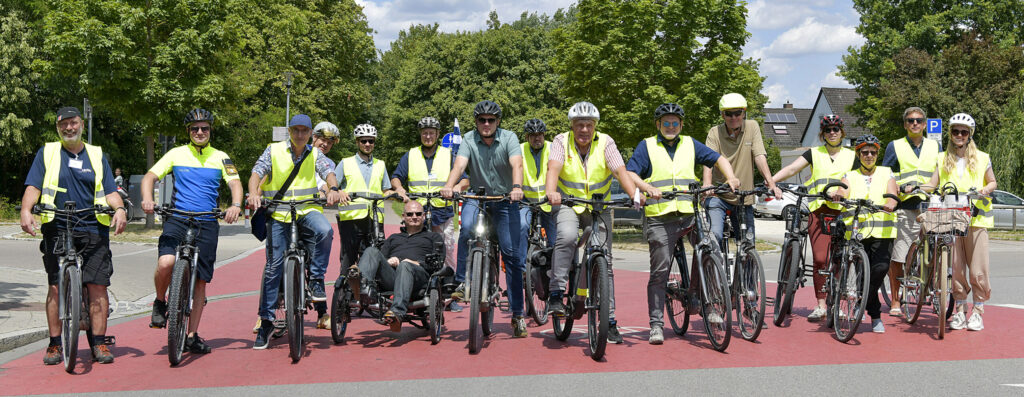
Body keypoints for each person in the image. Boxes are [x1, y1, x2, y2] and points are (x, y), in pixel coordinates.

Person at [20, 106, 128, 365]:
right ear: (58, 127)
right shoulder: (47, 152)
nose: (69, 128)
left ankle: (99, 343)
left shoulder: (96, 154)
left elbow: (111, 190)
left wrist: (120, 209)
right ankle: (55, 344)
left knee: (98, 285)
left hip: (93, 225)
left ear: (81, 124)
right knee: (56, 286)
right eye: (64, 124)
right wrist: (26, 210)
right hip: (57, 225)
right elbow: (33, 185)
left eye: (73, 123)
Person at [626, 103, 740, 345]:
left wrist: (730, 176)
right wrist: (646, 187)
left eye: (674, 123)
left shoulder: (689, 143)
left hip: (690, 212)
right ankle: (656, 325)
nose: (670, 126)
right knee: (660, 272)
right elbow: (631, 173)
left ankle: (705, 301)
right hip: (660, 216)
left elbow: (718, 158)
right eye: (665, 123)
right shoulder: (646, 145)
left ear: (681, 125)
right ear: (658, 125)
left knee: (710, 250)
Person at [140, 108, 243, 354]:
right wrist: (147, 200)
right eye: (195, 129)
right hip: (177, 217)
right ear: (188, 132)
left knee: (201, 282)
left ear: (210, 131)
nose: (199, 132)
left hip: (207, 221)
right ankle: (160, 301)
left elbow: (235, 183)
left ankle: (192, 334)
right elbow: (149, 177)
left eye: (204, 128)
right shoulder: (176, 154)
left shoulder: (221, 157)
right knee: (166, 263)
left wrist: (236, 205)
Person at [544, 101, 641, 344]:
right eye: (579, 125)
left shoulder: (606, 142)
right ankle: (556, 293)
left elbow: (620, 170)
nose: (584, 130)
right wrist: (550, 192)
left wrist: (634, 195)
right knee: (566, 237)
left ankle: (609, 320)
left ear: (595, 126)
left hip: (599, 208)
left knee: (604, 261)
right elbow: (553, 169)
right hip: (568, 204)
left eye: (588, 125)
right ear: (572, 126)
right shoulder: (560, 141)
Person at [247, 114, 340, 349]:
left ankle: (316, 280)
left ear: (310, 134)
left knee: (325, 231)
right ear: (290, 131)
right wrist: (254, 192)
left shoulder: (315, 154)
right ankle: (267, 320)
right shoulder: (273, 150)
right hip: (278, 214)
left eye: (304, 131)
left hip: (306, 211)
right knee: (273, 266)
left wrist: (333, 188)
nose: (300, 134)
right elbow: (257, 172)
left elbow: (328, 172)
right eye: (296, 130)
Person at [439, 100, 529, 338]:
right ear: (476, 123)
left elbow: (516, 163)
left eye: (491, 120)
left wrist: (517, 187)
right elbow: (460, 165)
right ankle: (461, 282)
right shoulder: (469, 139)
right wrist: (449, 185)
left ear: (497, 122)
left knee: (512, 256)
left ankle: (518, 314)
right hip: (477, 197)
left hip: (504, 199)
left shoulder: (509, 138)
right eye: (482, 120)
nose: (486, 124)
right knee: (466, 228)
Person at [772, 115, 855, 322]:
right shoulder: (814, 153)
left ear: (842, 132)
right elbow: (792, 169)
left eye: (836, 129)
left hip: (844, 211)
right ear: (822, 134)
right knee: (820, 259)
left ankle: (836, 302)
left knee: (840, 258)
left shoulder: (853, 155)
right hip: (819, 209)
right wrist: (770, 181)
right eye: (828, 130)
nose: (832, 132)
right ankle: (821, 304)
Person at [922, 113, 996, 331]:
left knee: (977, 270)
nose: (960, 135)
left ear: (970, 134)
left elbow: (992, 181)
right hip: (951, 217)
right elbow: (932, 183)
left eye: (964, 132)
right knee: (955, 268)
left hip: (976, 217)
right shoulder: (942, 157)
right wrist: (914, 187)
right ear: (951, 134)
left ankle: (978, 312)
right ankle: (960, 311)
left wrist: (985, 189)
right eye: (956, 131)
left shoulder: (983, 157)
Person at [832, 135, 897, 333]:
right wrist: (839, 195)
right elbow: (843, 190)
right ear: (858, 154)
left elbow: (893, 194)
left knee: (879, 269)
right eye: (865, 152)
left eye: (873, 152)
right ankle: (875, 315)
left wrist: (891, 204)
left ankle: (862, 300)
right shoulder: (850, 175)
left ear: (877, 154)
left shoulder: (887, 172)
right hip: (857, 231)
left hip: (883, 230)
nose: (869, 155)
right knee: (863, 271)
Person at [389, 116, 467, 278]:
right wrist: (399, 188)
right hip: (417, 212)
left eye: (431, 133)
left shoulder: (448, 155)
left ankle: (448, 288)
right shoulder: (411, 155)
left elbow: (464, 179)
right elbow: (396, 177)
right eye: (425, 133)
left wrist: (457, 187)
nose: (428, 136)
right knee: (414, 247)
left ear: (438, 134)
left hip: (442, 211)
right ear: (420, 134)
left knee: (446, 248)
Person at [880, 107, 939, 316]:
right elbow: (886, 174)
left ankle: (933, 290)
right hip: (904, 206)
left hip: (929, 205)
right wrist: (894, 192)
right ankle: (896, 300)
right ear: (905, 124)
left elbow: (939, 173)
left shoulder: (935, 146)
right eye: (910, 120)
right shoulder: (894, 146)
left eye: (919, 120)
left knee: (933, 251)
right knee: (899, 254)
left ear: (924, 124)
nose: (915, 123)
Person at [703, 93, 782, 246]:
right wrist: (707, 183)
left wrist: (772, 184)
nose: (734, 117)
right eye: (729, 114)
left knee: (747, 243)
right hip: (718, 195)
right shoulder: (715, 132)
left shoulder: (752, 127)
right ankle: (714, 267)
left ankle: (746, 269)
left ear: (744, 112)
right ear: (722, 115)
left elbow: (759, 156)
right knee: (715, 236)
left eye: (738, 113)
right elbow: (708, 160)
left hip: (743, 196)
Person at [353, 201, 444, 332]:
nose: (414, 216)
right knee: (371, 251)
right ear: (403, 216)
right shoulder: (393, 238)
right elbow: (380, 259)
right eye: (410, 214)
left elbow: (439, 262)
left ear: (423, 216)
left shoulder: (433, 237)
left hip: (419, 279)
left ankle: (397, 312)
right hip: (393, 278)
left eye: (418, 214)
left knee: (405, 265)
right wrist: (389, 261)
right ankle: (364, 288)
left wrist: (414, 263)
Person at [336, 123, 395, 294]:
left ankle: (369, 291)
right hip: (351, 218)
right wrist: (339, 191)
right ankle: (343, 296)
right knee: (348, 258)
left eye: (371, 141)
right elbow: (331, 185)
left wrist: (396, 193)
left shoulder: (380, 164)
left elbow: (385, 189)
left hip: (375, 219)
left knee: (374, 256)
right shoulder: (345, 163)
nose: (367, 144)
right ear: (357, 142)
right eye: (364, 141)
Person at [310, 121, 340, 328]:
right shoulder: (296, 154)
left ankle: (322, 314)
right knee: (273, 262)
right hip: (285, 212)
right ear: (313, 137)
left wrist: (329, 191)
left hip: (311, 214)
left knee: (316, 264)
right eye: (322, 139)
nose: (325, 144)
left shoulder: (327, 163)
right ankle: (264, 315)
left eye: (330, 142)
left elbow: (326, 182)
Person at [519, 118, 557, 259]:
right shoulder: (519, 149)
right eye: (533, 135)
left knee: (555, 239)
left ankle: (553, 266)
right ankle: (522, 266)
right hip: (526, 200)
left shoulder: (553, 148)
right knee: (522, 226)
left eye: (540, 134)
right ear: (527, 137)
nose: (537, 138)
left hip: (548, 201)